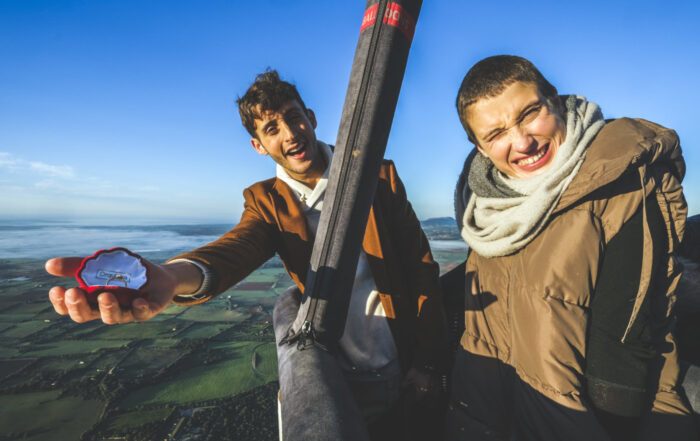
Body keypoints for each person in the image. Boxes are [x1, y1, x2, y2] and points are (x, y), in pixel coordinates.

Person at [45, 70, 447, 440]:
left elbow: (421, 269)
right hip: (341, 375)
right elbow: (235, 249)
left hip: (406, 362)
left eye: (293, 117)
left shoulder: (377, 175)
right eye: (272, 128)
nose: (290, 133)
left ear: (311, 117)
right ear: (258, 145)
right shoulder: (266, 202)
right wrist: (171, 277)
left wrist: (427, 361)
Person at [445, 55, 698, 440]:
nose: (522, 142)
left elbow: (622, 359)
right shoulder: (487, 210)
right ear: (480, 149)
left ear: (557, 102)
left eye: (529, 114)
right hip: (490, 417)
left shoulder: (622, 184)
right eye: (495, 135)